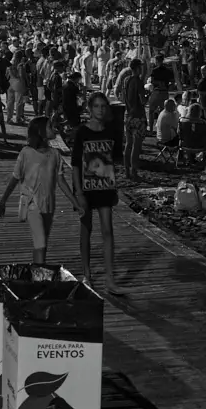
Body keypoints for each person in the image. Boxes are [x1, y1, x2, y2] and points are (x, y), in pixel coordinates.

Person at [70, 91, 127, 295]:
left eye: (104, 106)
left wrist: (115, 185)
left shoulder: (111, 131)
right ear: (89, 108)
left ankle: (110, 280)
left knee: (107, 230)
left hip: (105, 186)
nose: (100, 110)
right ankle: (87, 274)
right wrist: (78, 192)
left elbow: (114, 160)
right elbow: (75, 163)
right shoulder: (82, 132)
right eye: (96, 106)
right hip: (85, 187)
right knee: (86, 230)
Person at [0, 116, 72, 264]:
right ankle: (39, 276)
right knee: (40, 240)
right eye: (50, 126)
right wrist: (3, 201)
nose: (54, 129)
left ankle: (38, 271)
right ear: (41, 132)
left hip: (48, 203)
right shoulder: (26, 153)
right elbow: (15, 178)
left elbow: (61, 181)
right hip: (31, 202)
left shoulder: (55, 154)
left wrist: (75, 201)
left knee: (42, 242)